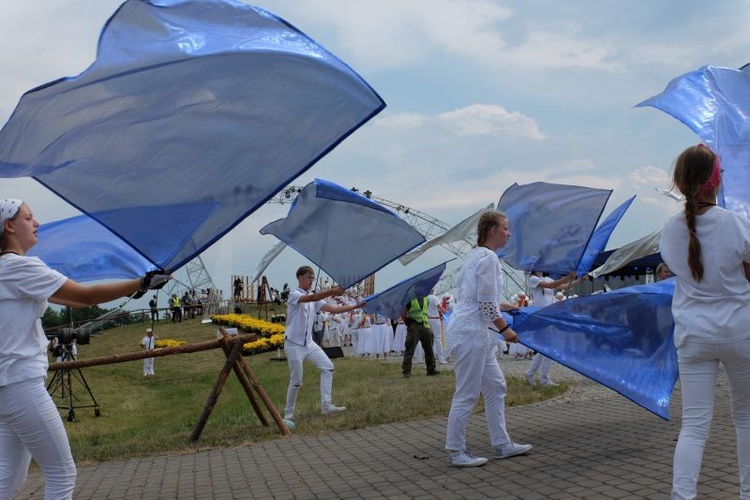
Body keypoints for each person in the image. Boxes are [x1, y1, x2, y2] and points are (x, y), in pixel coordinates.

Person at [0, 198, 169, 499]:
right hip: (21, 385)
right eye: (29, 217)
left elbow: (73, 300)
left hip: (7, 388)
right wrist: (139, 281)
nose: (36, 223)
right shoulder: (19, 267)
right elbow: (86, 296)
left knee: (8, 481)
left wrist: (138, 285)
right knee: (61, 474)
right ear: (9, 226)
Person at [659, 144, 750, 499]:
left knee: (694, 427)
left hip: (693, 335)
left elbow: (681, 270)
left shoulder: (670, 230)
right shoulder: (736, 223)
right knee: (745, 418)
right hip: (740, 331)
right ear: (714, 181)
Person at [445, 210, 532, 467]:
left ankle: (502, 443)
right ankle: (456, 451)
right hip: (471, 334)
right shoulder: (489, 259)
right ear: (493, 230)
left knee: (496, 387)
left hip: (476, 334)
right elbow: (485, 305)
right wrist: (505, 329)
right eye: (505, 228)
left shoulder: (475, 257)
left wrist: (508, 307)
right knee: (467, 394)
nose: (508, 233)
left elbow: (484, 300)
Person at [283, 266, 364, 425]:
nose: (311, 280)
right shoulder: (294, 294)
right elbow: (311, 299)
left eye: (312, 277)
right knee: (297, 380)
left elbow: (334, 309)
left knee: (328, 367)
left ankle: (326, 406)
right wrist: (333, 291)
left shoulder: (313, 298)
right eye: (308, 277)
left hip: (308, 343)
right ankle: (288, 414)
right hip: (293, 344)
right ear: (299, 277)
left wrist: (355, 307)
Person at [525, 270, 579, 387]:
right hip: (541, 316)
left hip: (550, 316)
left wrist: (578, 279)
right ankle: (544, 379)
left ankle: (530, 373)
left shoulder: (548, 279)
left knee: (545, 348)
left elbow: (564, 286)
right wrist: (568, 276)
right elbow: (551, 286)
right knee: (549, 348)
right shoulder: (533, 279)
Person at [401, 295, 439, 378]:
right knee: (410, 349)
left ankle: (431, 370)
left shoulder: (426, 299)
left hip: (425, 325)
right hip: (414, 325)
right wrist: (408, 323)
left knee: (429, 349)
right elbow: (403, 312)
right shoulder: (410, 299)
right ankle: (406, 371)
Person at [427, 289, 449, 365]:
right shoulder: (434, 298)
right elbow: (441, 308)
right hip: (435, 319)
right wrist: (447, 312)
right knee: (438, 339)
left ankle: (428, 358)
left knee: (428, 340)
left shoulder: (424, 298)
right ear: (433, 290)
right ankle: (441, 359)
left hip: (427, 319)